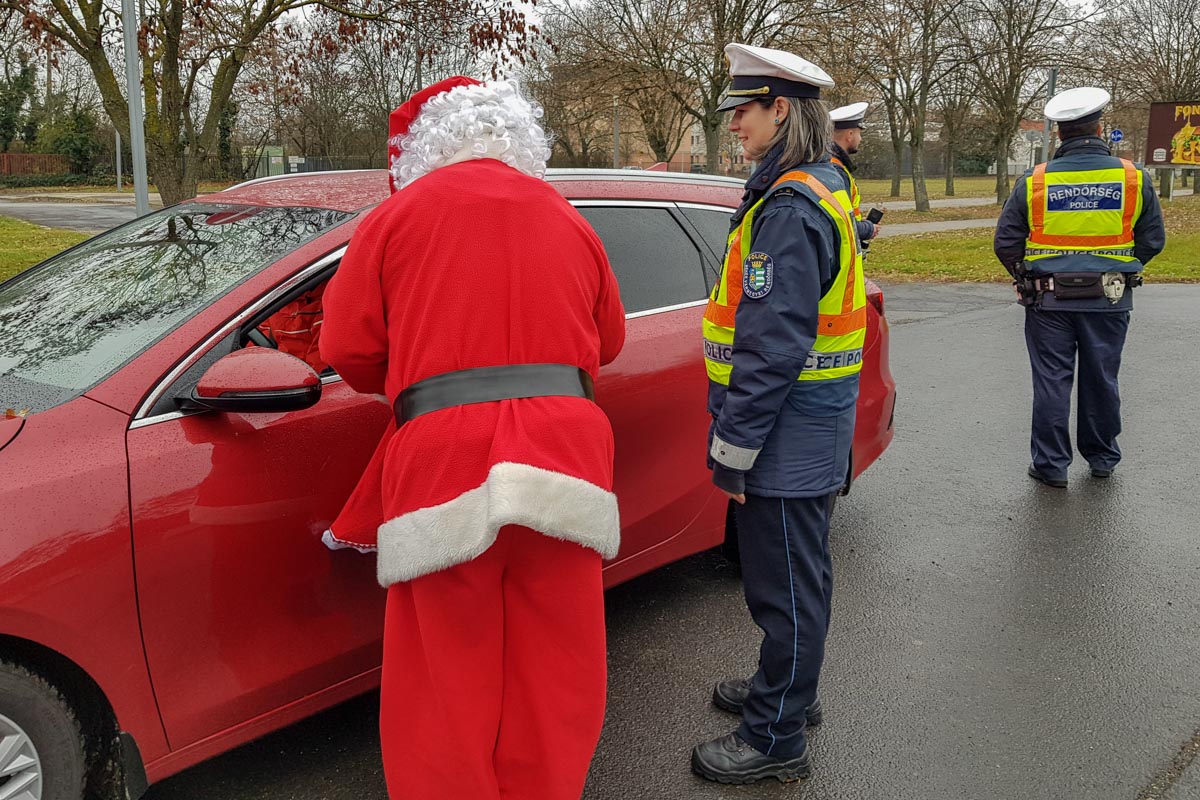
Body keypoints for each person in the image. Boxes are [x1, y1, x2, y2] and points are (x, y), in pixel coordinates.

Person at [319, 76, 626, 800]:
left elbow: (346, 347)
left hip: (445, 458)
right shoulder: (566, 215)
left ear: (427, 148)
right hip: (566, 458)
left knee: (444, 678)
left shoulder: (396, 218)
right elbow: (608, 341)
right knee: (557, 668)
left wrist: (420, 374)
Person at [693, 43, 866, 785]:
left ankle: (775, 736)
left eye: (745, 111)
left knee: (786, 590)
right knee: (797, 580)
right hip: (810, 422)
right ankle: (787, 688)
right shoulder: (820, 182)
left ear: (782, 110)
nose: (735, 124)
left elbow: (771, 348)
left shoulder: (791, 208)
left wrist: (733, 449)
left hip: (786, 430)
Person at [994, 86, 1165, 488]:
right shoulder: (1132, 177)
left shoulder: (1035, 180)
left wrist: (1023, 277)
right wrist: (1117, 268)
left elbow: (1006, 241)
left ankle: (1051, 466)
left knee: (1052, 381)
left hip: (1048, 298)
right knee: (1102, 377)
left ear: (1059, 133)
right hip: (1109, 297)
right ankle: (1102, 458)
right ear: (1099, 128)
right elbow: (1153, 240)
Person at [829, 101, 881, 243]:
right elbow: (839, 222)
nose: (860, 139)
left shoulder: (832, 164)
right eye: (859, 133)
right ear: (850, 134)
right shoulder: (836, 171)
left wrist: (861, 224)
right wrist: (868, 229)